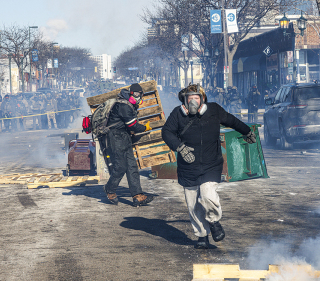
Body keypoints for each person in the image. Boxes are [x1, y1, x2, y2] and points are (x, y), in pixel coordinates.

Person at [161, 84, 256, 249]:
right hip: (188, 167)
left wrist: (246, 131)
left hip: (211, 164)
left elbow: (232, 120)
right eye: (189, 98)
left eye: (196, 98)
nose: (193, 101)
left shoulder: (214, 110)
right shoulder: (178, 114)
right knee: (193, 205)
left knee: (207, 196)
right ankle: (202, 236)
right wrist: (180, 147)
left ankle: (214, 222)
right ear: (184, 100)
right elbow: (166, 132)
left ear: (202, 99)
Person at [102, 83, 154, 207]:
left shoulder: (129, 105)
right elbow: (133, 126)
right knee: (121, 166)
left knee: (132, 167)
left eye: (139, 95)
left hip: (124, 137)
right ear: (130, 93)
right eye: (135, 94)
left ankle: (137, 196)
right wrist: (144, 127)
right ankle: (109, 188)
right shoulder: (123, 106)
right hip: (115, 138)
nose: (137, 97)